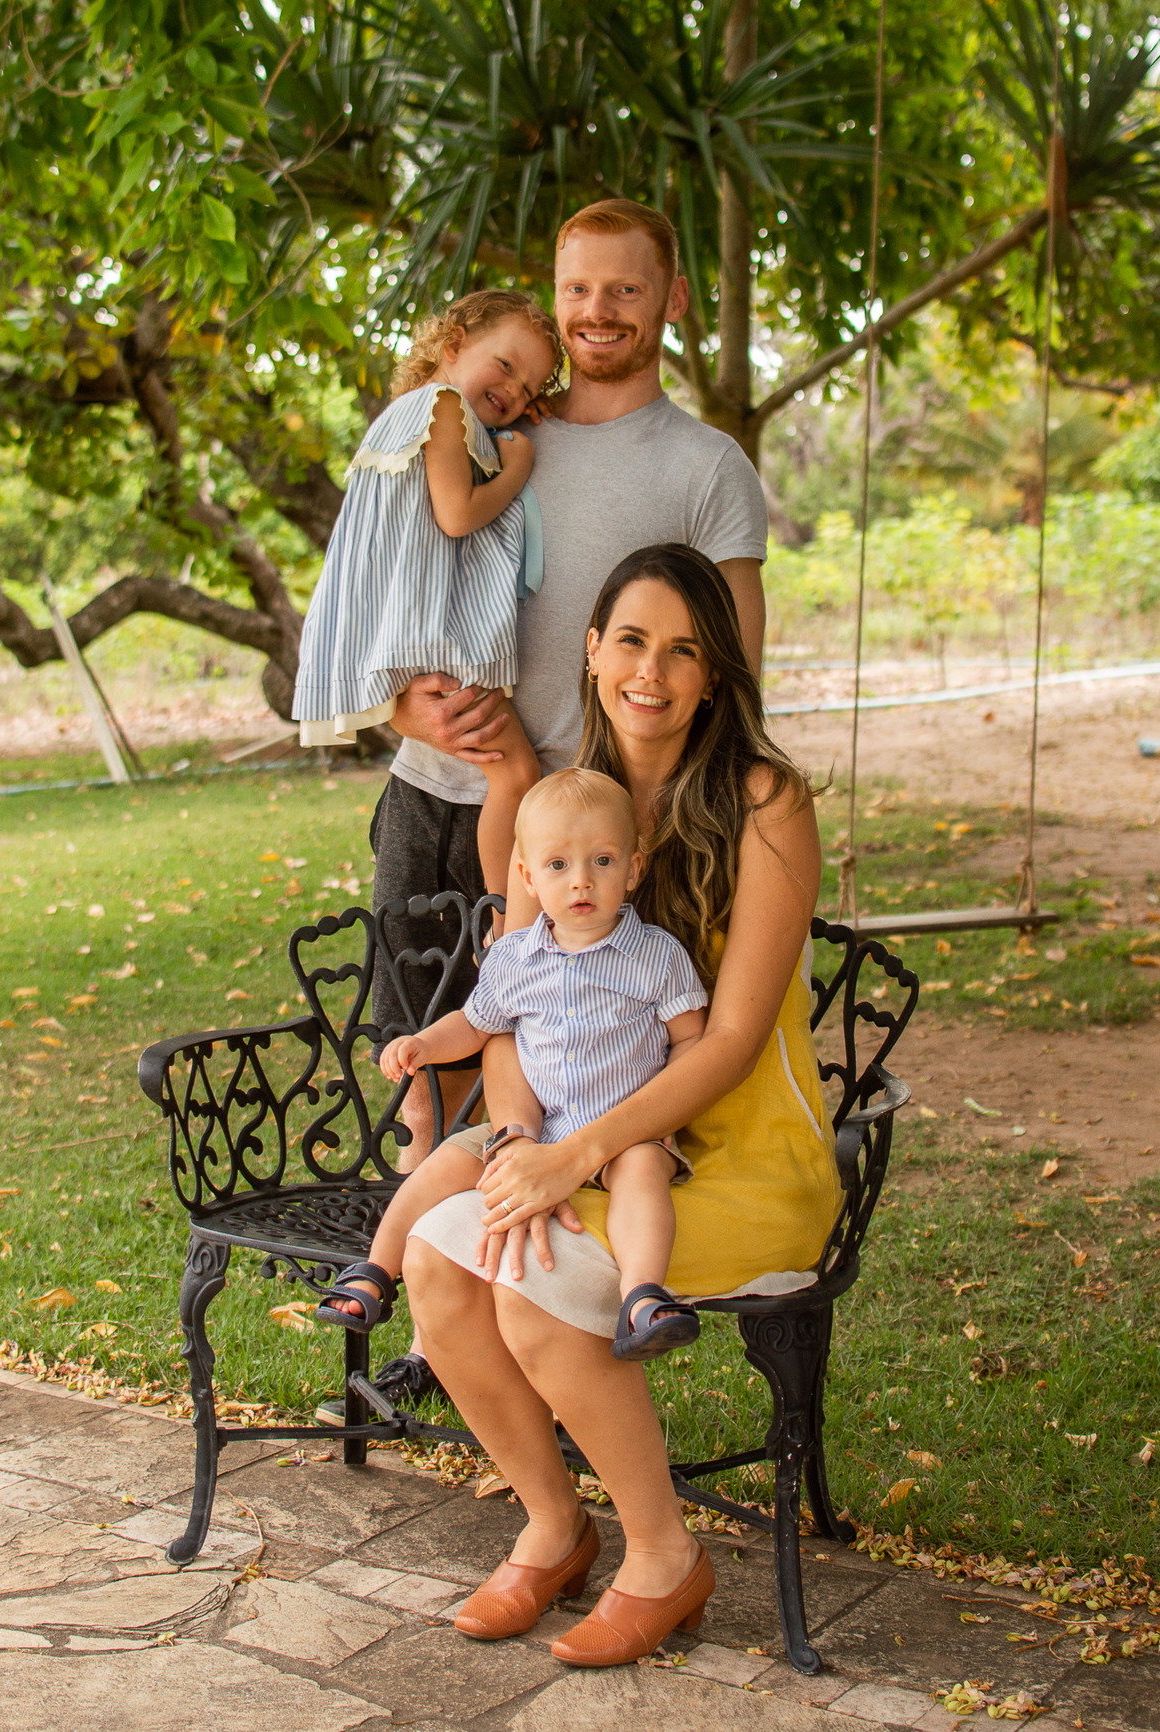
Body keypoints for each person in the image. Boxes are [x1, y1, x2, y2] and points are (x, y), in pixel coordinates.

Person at [393, 543, 841, 1665]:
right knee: (440, 1261)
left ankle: (662, 1556)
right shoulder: (558, 807)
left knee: (534, 1293)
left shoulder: (764, 802)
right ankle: (553, 1526)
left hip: (732, 1149)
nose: (655, 670)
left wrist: (581, 1150)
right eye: (633, 640)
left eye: (685, 650)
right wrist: (522, 1144)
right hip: (569, 1138)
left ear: (715, 674)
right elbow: (506, 1017)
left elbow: (732, 1041)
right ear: (592, 653)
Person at [359, 198, 768, 1410]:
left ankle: (539, 1321)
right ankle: (445, 1324)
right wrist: (406, 715)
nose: (597, 314)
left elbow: (734, 661)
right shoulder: (488, 429)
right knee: (431, 1067)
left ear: (672, 300)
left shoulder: (703, 466)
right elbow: (391, 581)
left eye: (626, 292)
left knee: (560, 1055)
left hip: (588, 837)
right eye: (577, 291)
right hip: (444, 789)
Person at [315, 767, 708, 1360]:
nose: (581, 881)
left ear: (633, 868)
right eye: (558, 866)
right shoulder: (515, 959)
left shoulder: (656, 956)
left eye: (602, 861)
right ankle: (374, 1271)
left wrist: (659, 1113)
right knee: (446, 1161)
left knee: (644, 1174)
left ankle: (643, 1296)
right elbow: (476, 1024)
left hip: (623, 1129)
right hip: (533, 1127)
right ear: (527, 875)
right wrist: (424, 1043)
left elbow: (691, 1041)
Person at [292, 289, 561, 896]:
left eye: (530, 389)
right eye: (507, 366)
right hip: (436, 640)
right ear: (453, 343)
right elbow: (458, 514)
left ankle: (500, 912)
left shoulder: (409, 415)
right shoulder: (442, 409)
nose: (515, 393)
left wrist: (509, 418)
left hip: (409, 630)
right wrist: (517, 466)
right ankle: (503, 917)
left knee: (508, 774)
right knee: (516, 773)